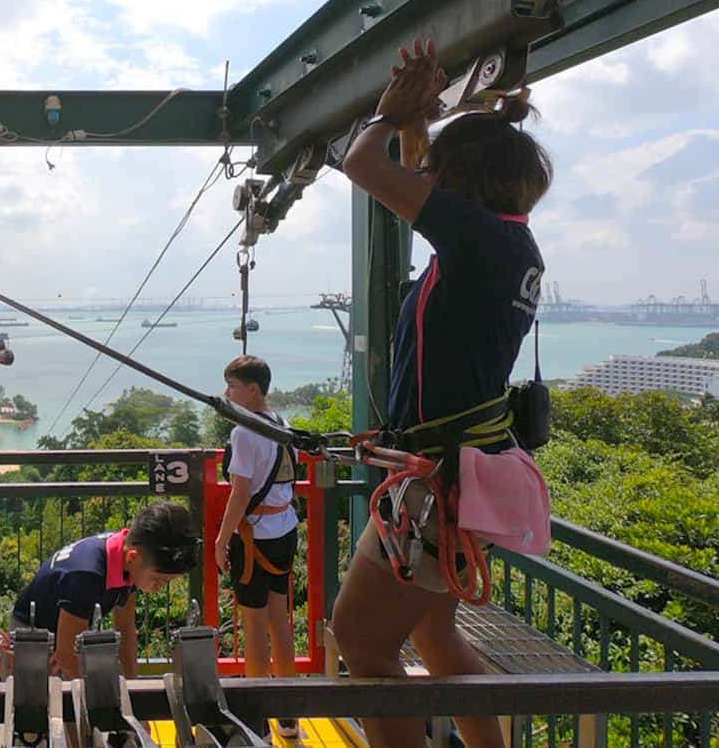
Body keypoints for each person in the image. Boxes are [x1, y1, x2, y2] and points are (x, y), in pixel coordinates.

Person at [334, 40, 552, 748]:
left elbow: (360, 167)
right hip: (448, 469)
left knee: (361, 643)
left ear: (456, 179)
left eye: (432, 169)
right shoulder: (505, 244)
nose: (422, 174)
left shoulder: (480, 242)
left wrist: (386, 114)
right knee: (433, 635)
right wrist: (416, 128)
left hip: (439, 482)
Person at [5, 500, 200, 680]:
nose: (158, 588)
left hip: (70, 630)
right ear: (133, 557)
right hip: (32, 636)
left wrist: (133, 687)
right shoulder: (87, 575)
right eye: (158, 580)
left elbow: (125, 627)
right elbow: (66, 655)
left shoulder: (126, 555)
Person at [213, 355, 299, 740]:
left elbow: (239, 492)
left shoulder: (243, 433)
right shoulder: (282, 424)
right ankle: (289, 713)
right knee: (280, 619)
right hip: (285, 529)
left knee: (253, 623)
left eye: (232, 386)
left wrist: (220, 540)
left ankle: (256, 716)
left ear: (251, 389)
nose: (227, 394)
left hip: (255, 535)